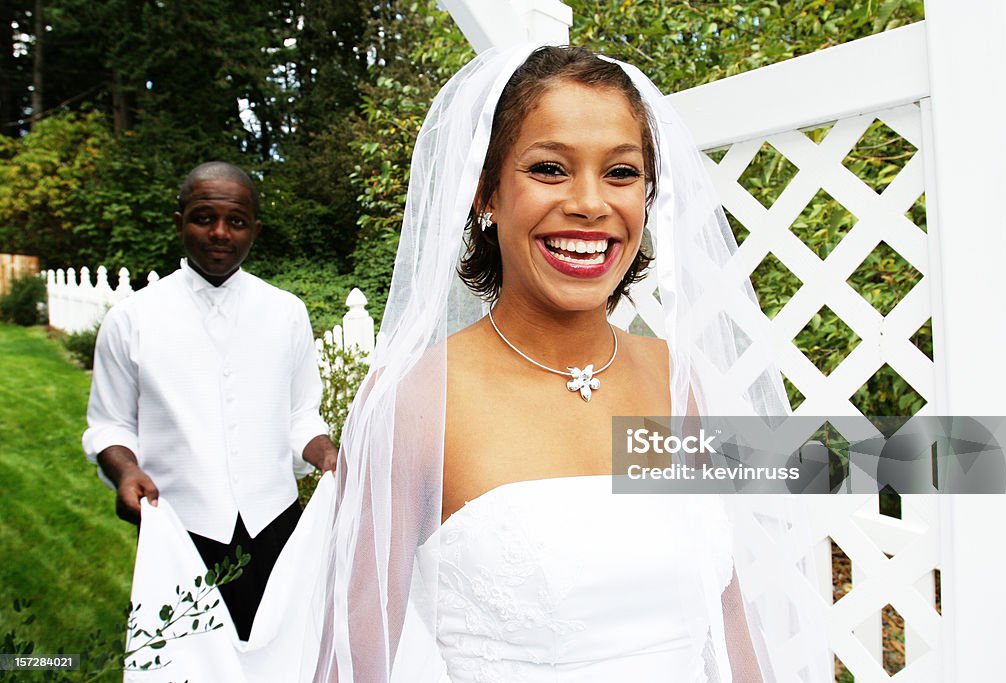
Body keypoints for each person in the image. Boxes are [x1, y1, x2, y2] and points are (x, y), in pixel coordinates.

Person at [314, 46, 829, 681]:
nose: (590, 202)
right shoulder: (420, 401)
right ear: (486, 194)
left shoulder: (674, 380)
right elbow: (352, 661)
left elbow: (726, 613)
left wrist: (959, 452)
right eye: (551, 168)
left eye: (621, 173)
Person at [83, 161, 338, 643]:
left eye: (236, 221)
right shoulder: (132, 319)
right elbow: (110, 426)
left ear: (254, 230)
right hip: (179, 529)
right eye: (204, 217)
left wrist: (325, 452)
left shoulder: (286, 313)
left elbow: (301, 414)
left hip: (275, 525)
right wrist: (125, 471)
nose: (220, 233)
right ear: (179, 222)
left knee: (285, 654)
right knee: (187, 659)